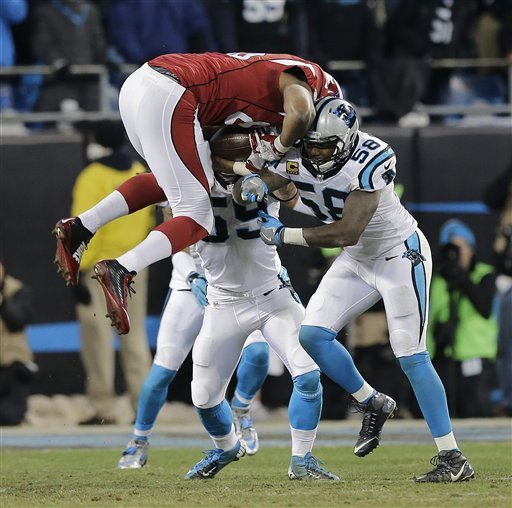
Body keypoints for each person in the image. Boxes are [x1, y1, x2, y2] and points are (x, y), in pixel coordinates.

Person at [232, 97, 475, 482]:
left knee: (410, 353)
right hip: (357, 259)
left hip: (399, 254)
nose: (314, 153)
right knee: (312, 335)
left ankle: (452, 457)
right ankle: (371, 400)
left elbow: (348, 229)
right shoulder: (297, 151)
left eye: (323, 147)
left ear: (346, 142)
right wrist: (253, 185)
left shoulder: (372, 158)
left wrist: (284, 235)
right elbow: (279, 180)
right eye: (310, 145)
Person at [53, 52, 341, 336]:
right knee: (198, 216)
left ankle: (81, 226)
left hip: (142, 84)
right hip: (173, 94)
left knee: (169, 182)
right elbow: (301, 113)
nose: (316, 150)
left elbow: (228, 148)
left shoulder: (273, 88)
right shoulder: (312, 85)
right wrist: (277, 148)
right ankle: (121, 267)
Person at [157, 174, 342, 480]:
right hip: (223, 302)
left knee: (308, 375)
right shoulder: (186, 181)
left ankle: (301, 460)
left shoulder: (262, 172)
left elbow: (291, 191)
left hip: (273, 295)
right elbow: (170, 234)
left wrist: (269, 171)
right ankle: (227, 447)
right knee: (203, 398)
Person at [117, 243, 274, 468]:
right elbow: (174, 242)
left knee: (259, 353)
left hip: (234, 285)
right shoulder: (185, 206)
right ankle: (139, 441)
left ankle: (241, 409)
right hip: (188, 287)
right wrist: (192, 276)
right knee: (162, 370)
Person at [70, 120, 154, 425]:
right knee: (135, 335)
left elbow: (83, 227)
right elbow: (149, 221)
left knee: (98, 338)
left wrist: (78, 269)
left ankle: (103, 407)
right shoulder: (139, 170)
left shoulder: (92, 176)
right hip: (133, 264)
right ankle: (143, 408)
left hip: (98, 266)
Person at [427, 219, 498, 418]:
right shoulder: (436, 278)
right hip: (441, 356)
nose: (457, 255)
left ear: (472, 249)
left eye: (461, 248)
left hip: (474, 355)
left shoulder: (484, 274)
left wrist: (461, 277)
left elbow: (484, 308)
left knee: (475, 410)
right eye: (451, 249)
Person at [0, 259, 37, 426]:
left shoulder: (18, 289)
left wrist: (3, 302)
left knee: (9, 417)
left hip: (12, 366)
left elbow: (18, 322)